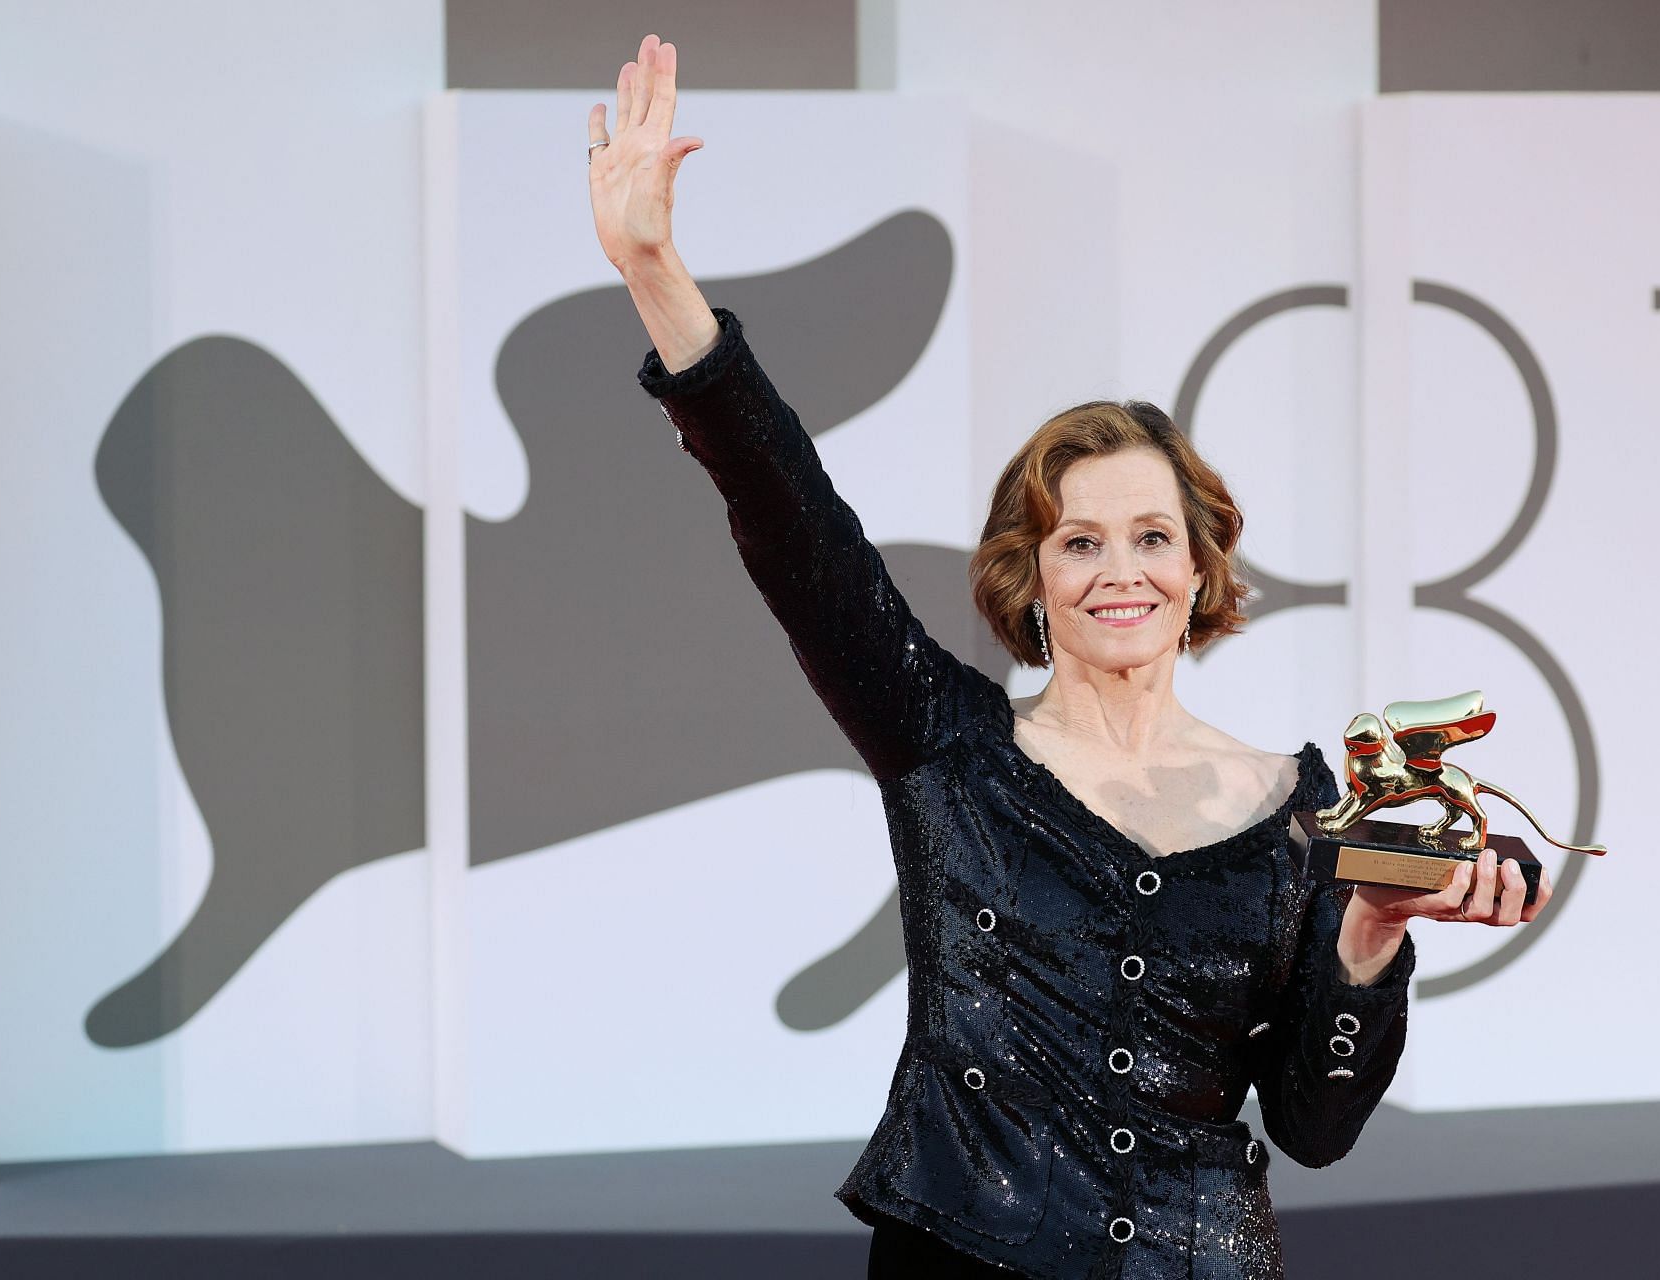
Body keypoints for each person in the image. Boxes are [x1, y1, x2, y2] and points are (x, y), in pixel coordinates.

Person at [586, 34, 1555, 1280]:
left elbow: (1316, 1129)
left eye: (1153, 536)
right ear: (1032, 575)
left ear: (1201, 568)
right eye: (1079, 540)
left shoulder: (1303, 811)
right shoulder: (947, 744)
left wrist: (1370, 935)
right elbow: (794, 525)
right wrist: (656, 269)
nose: (1120, 570)